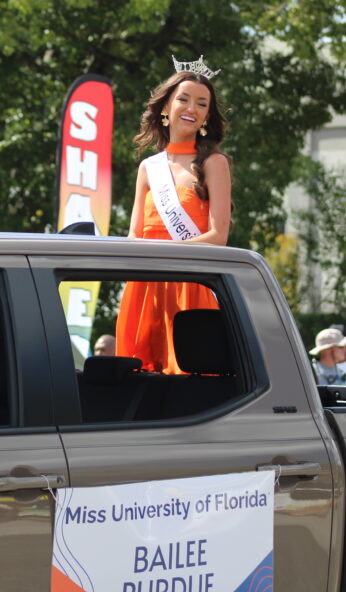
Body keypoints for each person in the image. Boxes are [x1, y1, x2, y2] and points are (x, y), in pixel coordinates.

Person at [115, 55, 231, 374]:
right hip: (145, 287)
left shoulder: (214, 164)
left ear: (207, 116)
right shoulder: (148, 168)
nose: (191, 108)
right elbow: (134, 235)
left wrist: (168, 254)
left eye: (202, 103)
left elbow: (218, 237)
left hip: (189, 283)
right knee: (139, 376)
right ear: (166, 107)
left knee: (190, 377)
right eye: (184, 99)